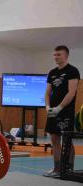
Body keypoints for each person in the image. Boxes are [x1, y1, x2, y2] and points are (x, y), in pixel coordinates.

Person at [43, 45, 80, 178]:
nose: (56, 57)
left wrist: (60, 107)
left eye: (59, 54)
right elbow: (47, 93)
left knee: (67, 140)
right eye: (54, 55)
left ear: (66, 55)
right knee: (54, 139)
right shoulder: (52, 72)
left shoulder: (73, 71)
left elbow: (71, 93)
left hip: (65, 111)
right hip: (53, 111)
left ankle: (68, 169)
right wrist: (48, 107)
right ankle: (57, 169)